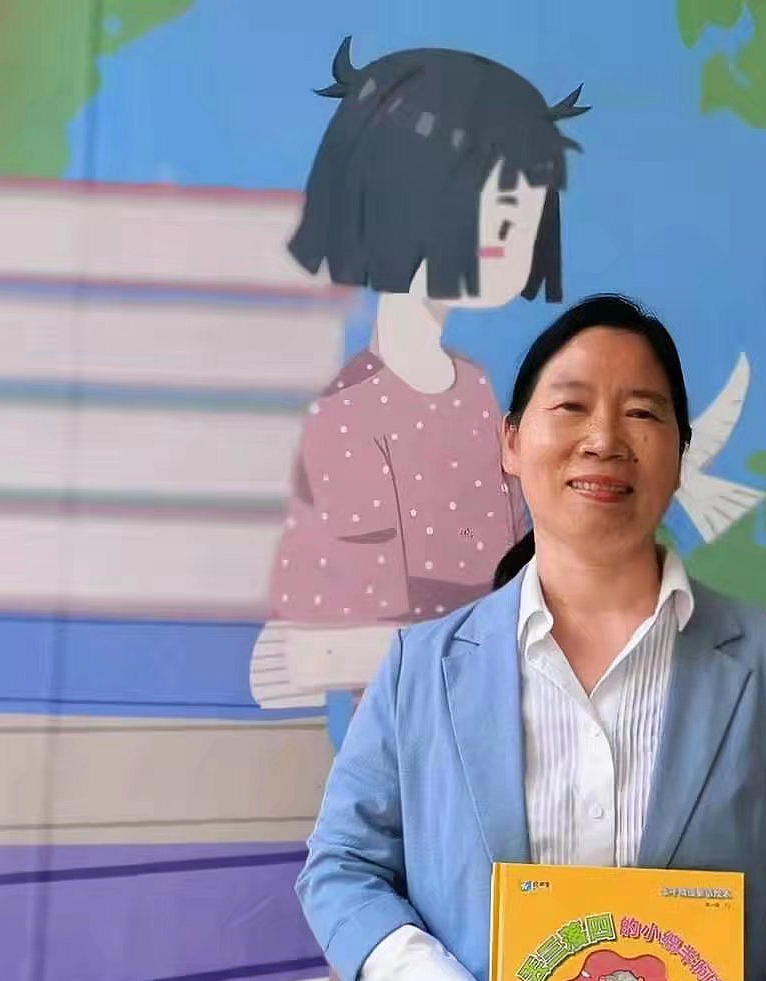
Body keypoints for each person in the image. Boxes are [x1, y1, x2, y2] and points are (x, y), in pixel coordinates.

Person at [295, 294, 766, 981]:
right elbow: (341, 870)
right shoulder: (421, 668)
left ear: (680, 453)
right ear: (511, 442)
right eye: (571, 406)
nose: (604, 439)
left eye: (642, 413)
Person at [250, 38, 586, 742]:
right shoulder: (352, 416)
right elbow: (336, 639)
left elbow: (517, 563)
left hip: (498, 716)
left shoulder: (473, 386)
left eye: (523, 209)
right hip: (406, 738)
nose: (513, 232)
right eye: (492, 206)